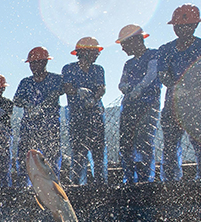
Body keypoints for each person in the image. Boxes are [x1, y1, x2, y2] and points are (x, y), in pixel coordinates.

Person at [157, 5, 201, 180]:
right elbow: (163, 75)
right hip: (173, 104)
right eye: (178, 26)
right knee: (170, 144)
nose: (181, 29)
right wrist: (178, 87)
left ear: (194, 26)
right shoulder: (165, 50)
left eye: (186, 25)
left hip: (198, 105)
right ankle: (170, 181)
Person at [116, 25, 163, 184]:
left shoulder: (153, 55)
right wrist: (126, 88)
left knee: (144, 142)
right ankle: (130, 178)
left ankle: (146, 179)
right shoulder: (128, 64)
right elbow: (121, 83)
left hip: (148, 105)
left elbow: (151, 75)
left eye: (124, 44)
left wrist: (139, 88)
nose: (122, 48)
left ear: (135, 40)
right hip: (129, 106)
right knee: (126, 143)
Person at [13, 47, 64, 182]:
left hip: (50, 128)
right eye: (32, 63)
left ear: (45, 63)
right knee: (25, 160)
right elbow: (16, 100)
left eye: (36, 63)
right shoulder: (26, 82)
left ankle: (54, 189)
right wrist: (27, 104)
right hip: (29, 128)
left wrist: (44, 105)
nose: (33, 66)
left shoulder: (56, 79)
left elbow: (63, 89)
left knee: (51, 160)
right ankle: (23, 188)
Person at [62, 38, 107, 185]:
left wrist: (93, 99)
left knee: (98, 151)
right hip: (76, 116)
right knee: (78, 152)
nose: (96, 55)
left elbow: (102, 88)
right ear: (83, 52)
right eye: (94, 52)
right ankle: (77, 183)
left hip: (95, 114)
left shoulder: (98, 69)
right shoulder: (69, 68)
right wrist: (77, 91)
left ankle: (101, 183)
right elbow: (67, 87)